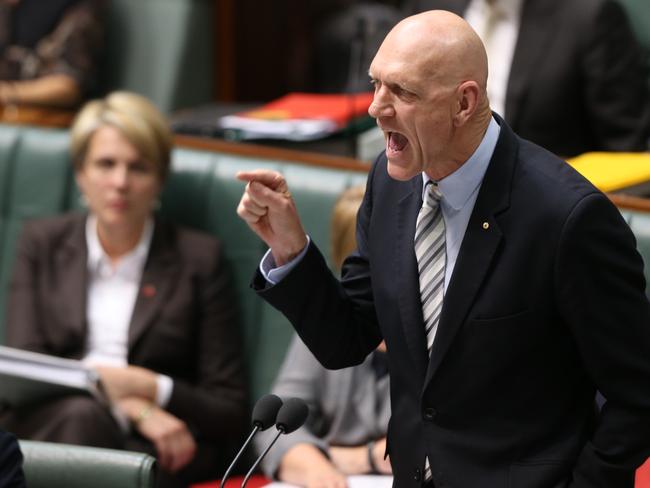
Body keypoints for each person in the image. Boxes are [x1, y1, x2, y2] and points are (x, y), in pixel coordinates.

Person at [236, 10, 650, 488]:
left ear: (464, 102)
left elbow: (637, 394)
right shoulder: (390, 185)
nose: (376, 108)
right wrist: (291, 250)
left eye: (402, 92)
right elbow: (346, 339)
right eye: (375, 84)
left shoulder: (567, 218)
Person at [2, 91, 247, 487]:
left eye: (138, 167)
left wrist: (152, 387)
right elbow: (26, 366)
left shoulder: (198, 259)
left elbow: (228, 407)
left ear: (160, 179)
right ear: (80, 172)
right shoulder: (42, 242)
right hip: (52, 425)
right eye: (105, 164)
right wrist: (127, 402)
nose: (120, 182)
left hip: (154, 448)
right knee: (80, 418)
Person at [254, 185, 392, 488]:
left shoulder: (442, 327)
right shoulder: (330, 322)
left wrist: (358, 458)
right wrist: (317, 468)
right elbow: (275, 424)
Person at [405, 0, 650, 158]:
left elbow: (627, 148)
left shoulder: (589, 16)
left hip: (540, 205)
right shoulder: (430, 8)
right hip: (432, 178)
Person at [0, 0, 106, 108]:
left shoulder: (78, 7)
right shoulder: (7, 10)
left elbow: (68, 87)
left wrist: (8, 92)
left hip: (42, 114)